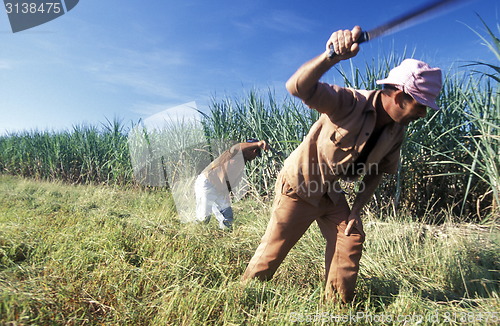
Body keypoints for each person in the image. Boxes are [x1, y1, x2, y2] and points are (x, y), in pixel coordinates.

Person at [241, 26, 442, 303]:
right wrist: (332, 56)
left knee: (350, 239)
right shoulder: (349, 102)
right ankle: (244, 295)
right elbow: (297, 87)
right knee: (274, 250)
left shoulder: (396, 132)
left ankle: (336, 308)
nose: (423, 113)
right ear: (400, 96)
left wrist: (356, 210)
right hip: (299, 187)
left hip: (332, 195)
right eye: (420, 106)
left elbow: (379, 173)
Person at [195, 139, 270, 229]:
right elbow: (236, 147)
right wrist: (258, 144)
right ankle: (194, 232)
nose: (254, 157)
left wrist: (227, 192)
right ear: (253, 150)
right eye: (256, 154)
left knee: (227, 218)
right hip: (207, 184)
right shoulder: (233, 154)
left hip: (220, 190)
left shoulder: (242, 163)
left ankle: (224, 234)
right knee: (204, 218)